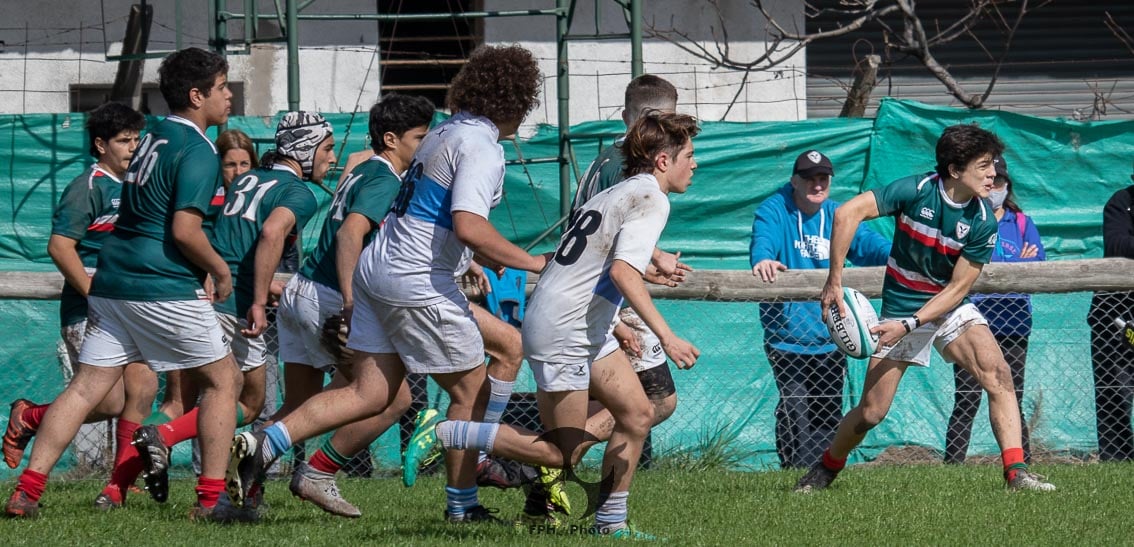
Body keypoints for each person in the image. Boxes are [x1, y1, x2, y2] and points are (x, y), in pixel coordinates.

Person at [225, 44, 547, 525]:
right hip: (416, 279)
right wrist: (536, 262)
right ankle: (465, 497)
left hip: (378, 271)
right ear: (518, 101)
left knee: (372, 393)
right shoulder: (482, 146)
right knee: (472, 392)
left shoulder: (442, 133)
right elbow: (467, 224)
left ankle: (265, 446)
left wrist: (476, 257)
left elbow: (432, 215)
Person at [413, 111, 702, 540]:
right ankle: (445, 431)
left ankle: (611, 525)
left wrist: (649, 268)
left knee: (639, 413)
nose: (694, 165)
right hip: (565, 327)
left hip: (579, 322)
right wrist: (668, 336)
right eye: (689, 156)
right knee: (560, 454)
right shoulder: (653, 199)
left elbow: (602, 264)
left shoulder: (619, 191)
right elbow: (622, 273)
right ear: (663, 161)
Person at [5, 47, 244, 521]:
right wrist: (219, 269)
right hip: (162, 284)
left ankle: (27, 491)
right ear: (197, 96)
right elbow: (184, 231)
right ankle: (211, 501)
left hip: (112, 282)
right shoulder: (196, 149)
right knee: (225, 381)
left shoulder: (152, 137)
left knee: (88, 387)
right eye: (222, 88)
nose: (229, 98)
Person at [794, 123, 1055, 493]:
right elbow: (846, 214)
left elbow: (958, 288)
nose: (993, 174)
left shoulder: (982, 221)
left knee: (998, 375)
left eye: (993, 165)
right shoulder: (915, 190)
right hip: (900, 305)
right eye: (983, 166)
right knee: (872, 412)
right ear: (954, 170)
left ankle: (1017, 474)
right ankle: (825, 469)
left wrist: (912, 322)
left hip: (945, 307)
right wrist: (834, 281)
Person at [121, 112, 327, 514]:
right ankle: (191, 467)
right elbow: (269, 234)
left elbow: (231, 240)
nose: (332, 158)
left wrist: (256, 282)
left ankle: (133, 482)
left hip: (205, 293)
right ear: (306, 149)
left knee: (210, 394)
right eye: (328, 147)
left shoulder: (249, 180)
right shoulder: (300, 193)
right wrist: (255, 299)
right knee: (248, 402)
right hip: (234, 304)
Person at [276, 93, 434, 517]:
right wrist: (350, 301)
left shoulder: (364, 166)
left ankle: (247, 473)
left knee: (296, 407)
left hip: (301, 290)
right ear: (391, 138)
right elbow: (350, 235)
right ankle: (319, 473)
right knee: (392, 398)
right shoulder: (386, 179)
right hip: (329, 297)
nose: (427, 145)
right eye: (420, 137)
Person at [2, 102, 158, 510]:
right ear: (100, 144)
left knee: (142, 387)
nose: (133, 147)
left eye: (138, 139)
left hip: (133, 304)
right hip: (92, 308)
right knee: (104, 400)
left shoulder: (137, 185)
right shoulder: (88, 185)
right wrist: (93, 292)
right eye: (124, 141)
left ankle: (119, 484)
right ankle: (31, 419)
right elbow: (60, 246)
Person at [750, 150, 890, 469]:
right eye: (809, 178)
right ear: (794, 181)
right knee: (796, 410)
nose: (817, 184)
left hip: (832, 335)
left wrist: (899, 258)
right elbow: (764, 240)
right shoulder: (774, 209)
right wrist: (763, 259)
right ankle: (794, 470)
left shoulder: (837, 214)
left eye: (823, 178)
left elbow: (870, 246)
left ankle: (819, 473)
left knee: (827, 411)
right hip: (787, 339)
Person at [945, 155, 1044, 463]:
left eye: (1000, 181)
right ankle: (952, 465)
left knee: (1012, 395)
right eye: (990, 178)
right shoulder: (968, 219)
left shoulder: (1023, 222)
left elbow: (1037, 265)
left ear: (1007, 185)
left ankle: (1021, 464)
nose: (994, 185)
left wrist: (1012, 268)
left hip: (1014, 323)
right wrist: (1014, 265)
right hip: (972, 323)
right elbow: (959, 267)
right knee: (968, 398)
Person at [1086, 164, 1134, 461]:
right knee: (1114, 392)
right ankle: (1117, 458)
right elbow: (1118, 244)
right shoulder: (1121, 202)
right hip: (1115, 317)